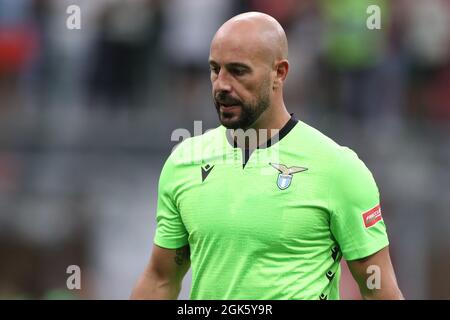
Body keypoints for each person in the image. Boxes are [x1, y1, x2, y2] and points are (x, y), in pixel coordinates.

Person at [131, 12, 403, 300]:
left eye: (238, 71)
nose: (221, 85)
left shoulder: (338, 168)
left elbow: (379, 289)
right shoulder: (184, 161)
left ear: (279, 73)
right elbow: (160, 279)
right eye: (215, 69)